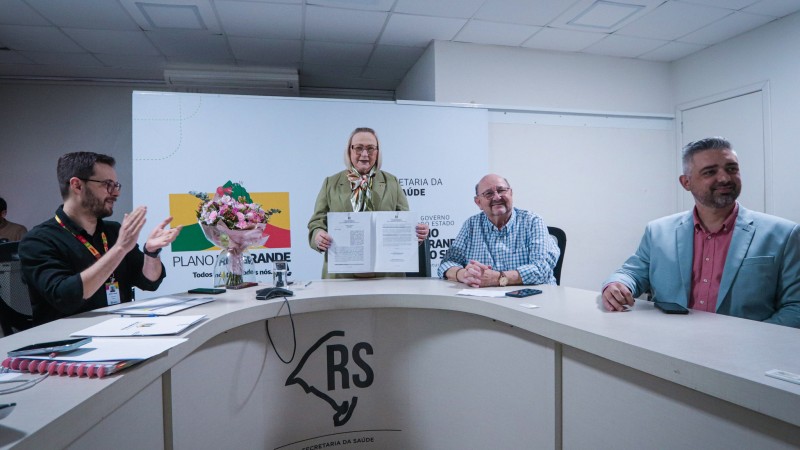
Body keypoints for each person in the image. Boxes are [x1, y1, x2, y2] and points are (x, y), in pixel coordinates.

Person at [602, 137, 800, 328]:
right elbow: (632, 273)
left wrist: (752, 345)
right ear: (686, 182)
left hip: (747, 356)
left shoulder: (784, 234)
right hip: (671, 347)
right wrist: (617, 285)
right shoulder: (659, 232)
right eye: (709, 172)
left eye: (732, 169)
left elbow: (795, 307)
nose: (724, 178)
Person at [19, 152, 182, 325]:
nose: (116, 193)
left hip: (120, 330)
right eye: (107, 185)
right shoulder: (38, 241)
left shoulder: (113, 231)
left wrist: (151, 253)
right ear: (77, 186)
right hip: (69, 341)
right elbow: (65, 297)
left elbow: (149, 282)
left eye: (116, 185)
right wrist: (119, 249)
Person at [307, 127, 429, 278]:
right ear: (349, 151)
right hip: (341, 276)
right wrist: (318, 236)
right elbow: (316, 223)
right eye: (358, 148)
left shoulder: (392, 182)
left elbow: (403, 225)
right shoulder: (330, 183)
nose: (364, 154)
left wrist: (416, 234)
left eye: (371, 148)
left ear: (377, 152)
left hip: (387, 276)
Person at [438, 174, 560, 287]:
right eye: (488, 193)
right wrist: (464, 274)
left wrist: (498, 278)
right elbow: (447, 263)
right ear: (478, 202)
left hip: (534, 301)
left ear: (511, 193)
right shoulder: (471, 225)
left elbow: (542, 269)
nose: (497, 197)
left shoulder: (533, 221)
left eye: (501, 190)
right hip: (487, 303)